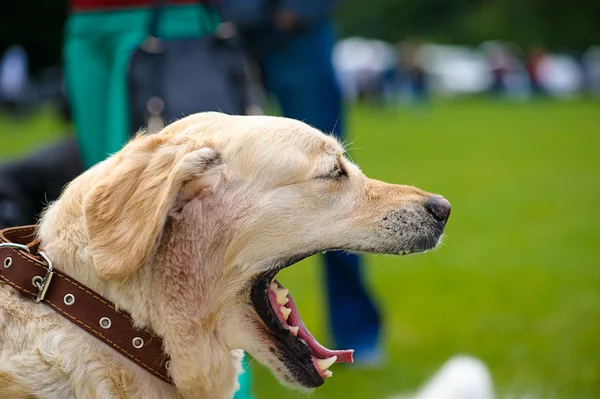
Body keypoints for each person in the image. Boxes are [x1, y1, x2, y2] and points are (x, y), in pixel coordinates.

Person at [63, 1, 254, 397]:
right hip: (85, 22)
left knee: (198, 227)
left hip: (167, 21)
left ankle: (232, 389)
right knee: (106, 220)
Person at [220, 0, 383, 363]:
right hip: (224, 29)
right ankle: (216, 338)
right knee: (217, 189)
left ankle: (357, 333)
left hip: (297, 28)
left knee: (334, 185)